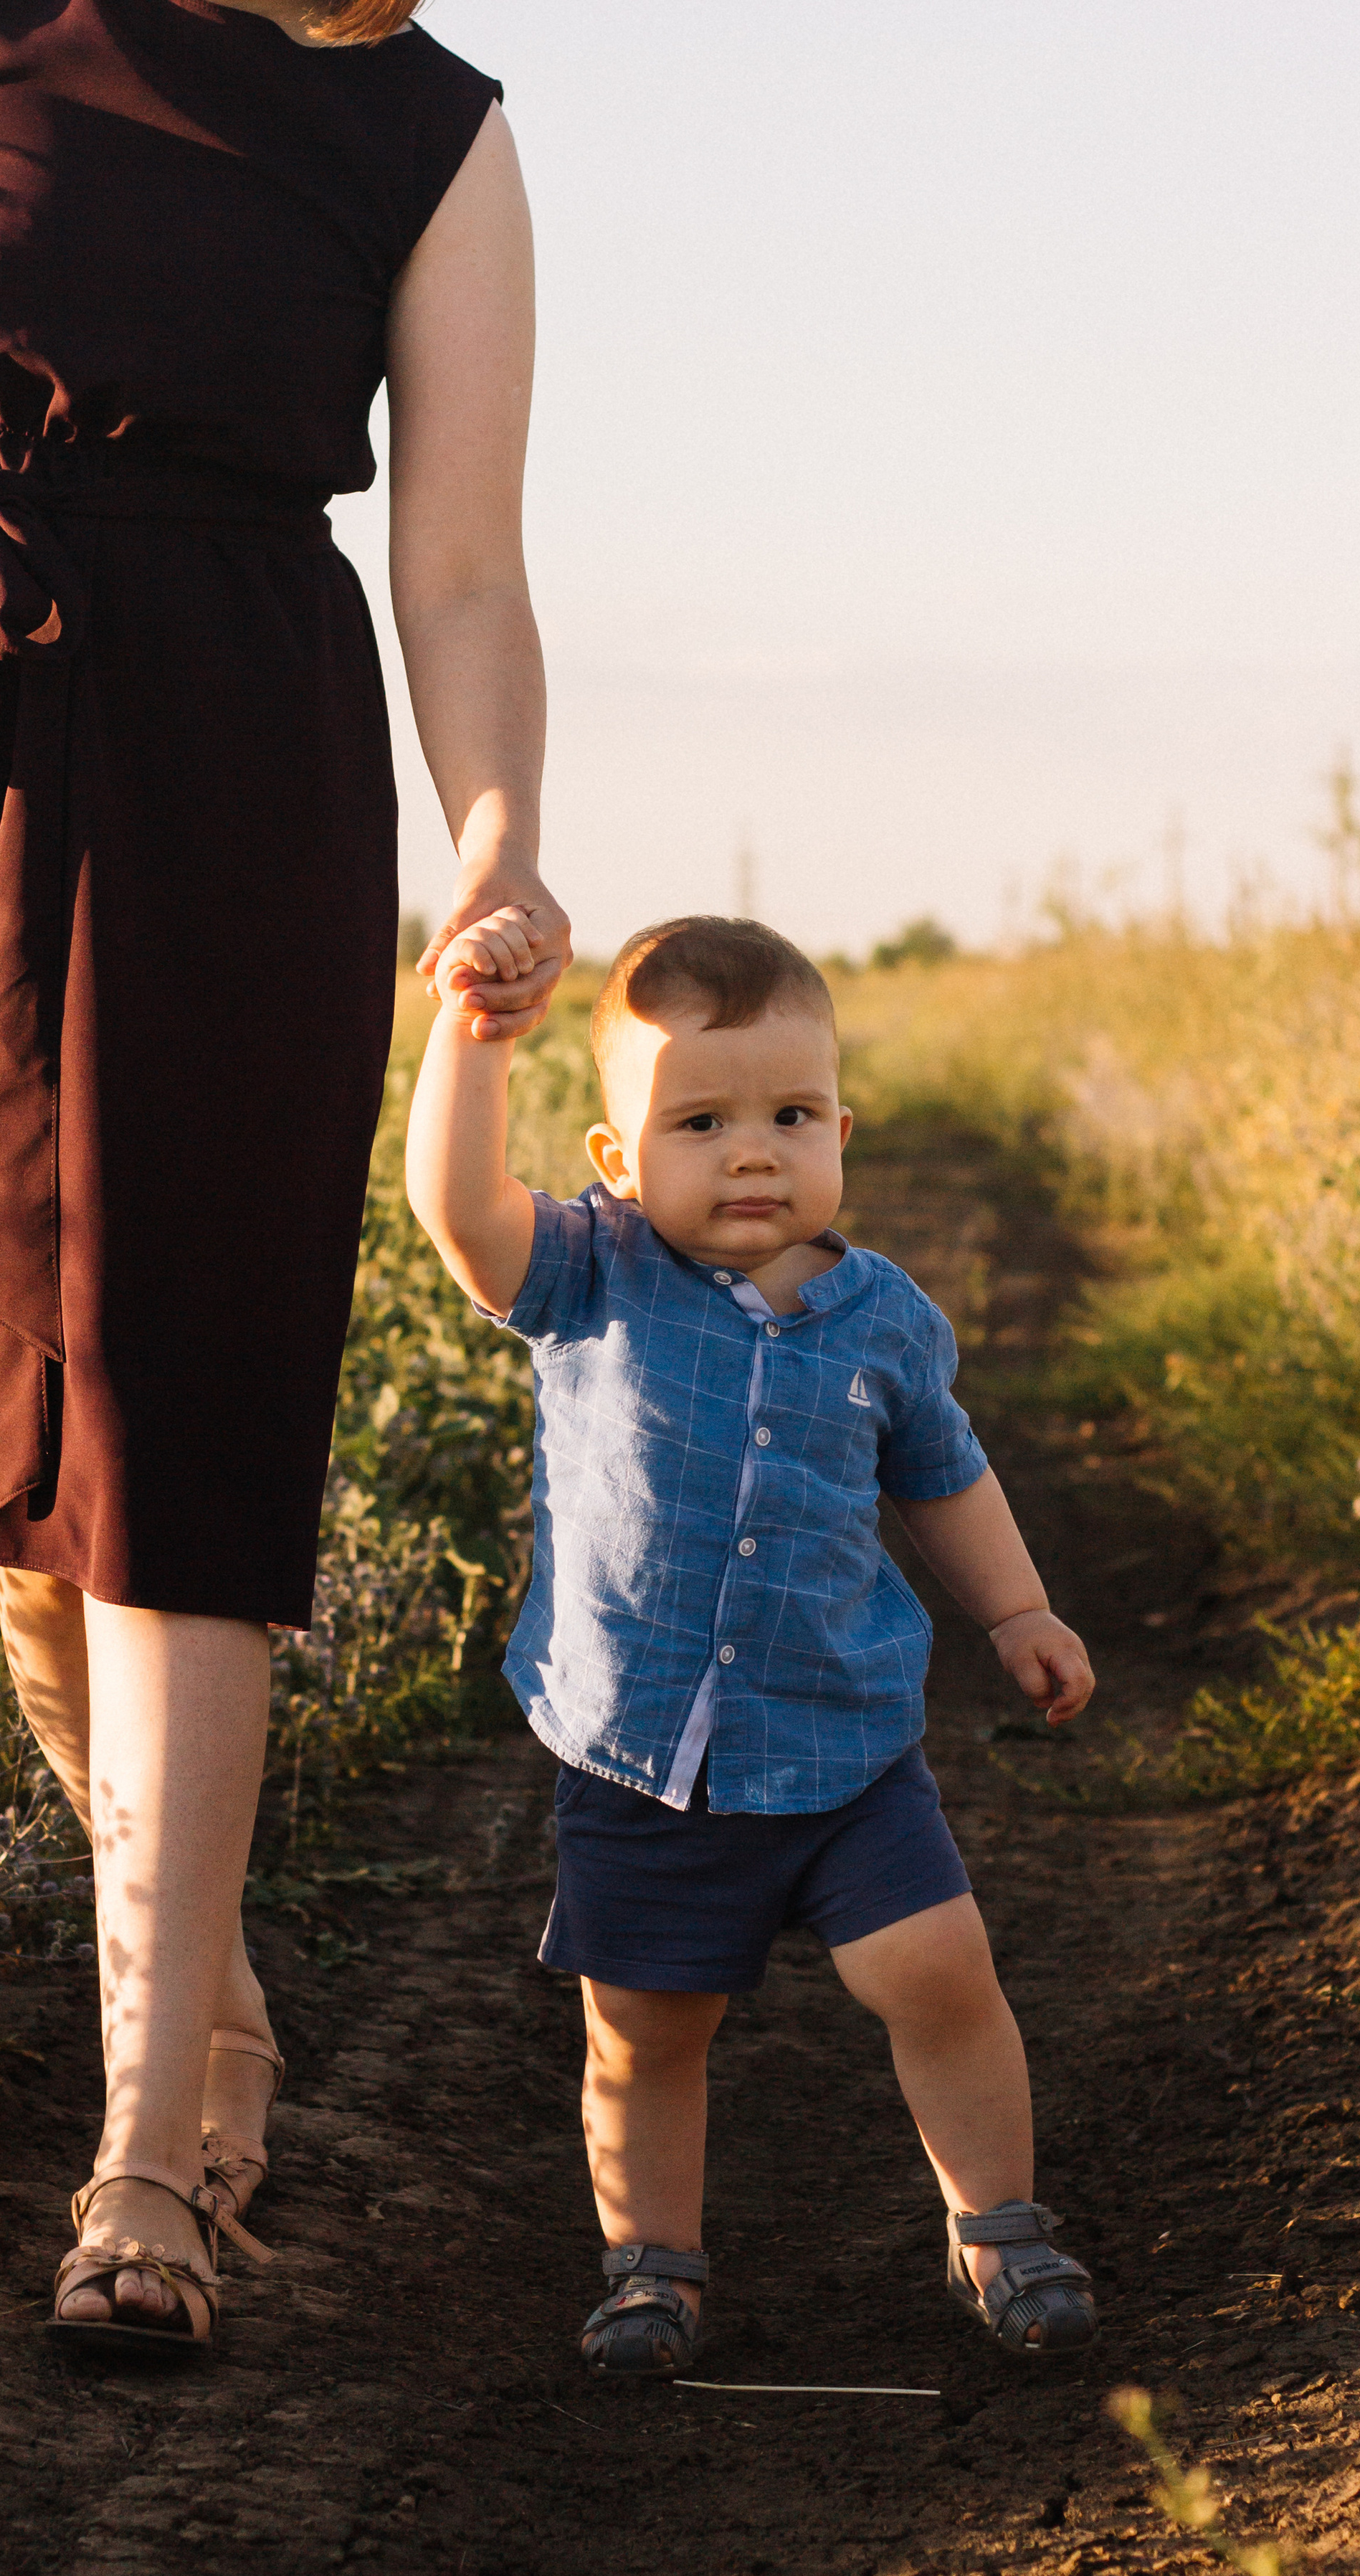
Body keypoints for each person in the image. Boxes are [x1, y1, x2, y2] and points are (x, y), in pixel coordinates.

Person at [0, 0, 568, 2349]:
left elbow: (471, 573)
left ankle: (144, 2184)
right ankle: (196, 1998)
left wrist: (495, 834)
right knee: (17, 1496)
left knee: (167, 1436)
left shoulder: (440, 137)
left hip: (223, 777)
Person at [405, 913, 1100, 2373]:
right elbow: (458, 1210)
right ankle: (650, 2268)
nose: (750, 1153)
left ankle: (999, 2228)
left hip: (845, 1744)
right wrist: (471, 1041)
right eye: (700, 1121)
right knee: (646, 2030)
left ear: (841, 1130)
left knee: (939, 1971)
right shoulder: (588, 1277)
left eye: (789, 1116)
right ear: (618, 1156)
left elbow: (941, 1476)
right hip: (643, 1757)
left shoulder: (880, 1320)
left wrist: (1017, 1609)